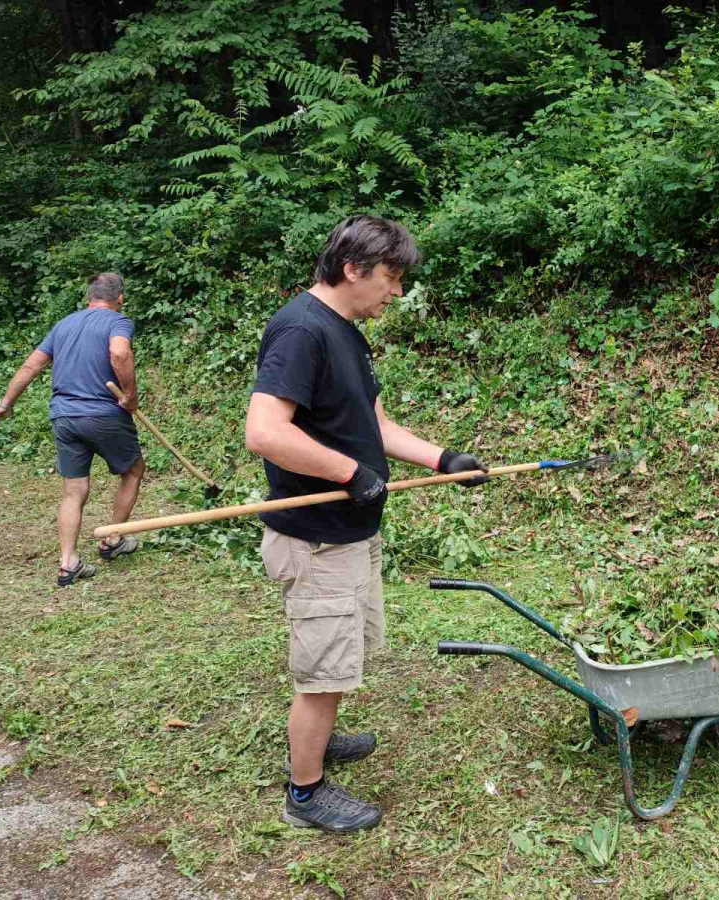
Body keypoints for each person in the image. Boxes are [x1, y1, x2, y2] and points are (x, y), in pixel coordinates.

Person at [245, 214, 489, 834]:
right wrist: (348, 473)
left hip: (352, 533)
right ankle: (306, 793)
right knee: (322, 672)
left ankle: (320, 740)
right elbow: (265, 432)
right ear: (353, 269)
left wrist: (442, 459)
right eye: (391, 277)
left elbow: (374, 426)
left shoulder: (347, 332)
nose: (397, 291)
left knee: (343, 657)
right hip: (318, 539)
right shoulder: (301, 330)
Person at [0, 273, 145, 586]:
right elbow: (119, 353)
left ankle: (68, 561)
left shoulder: (65, 324)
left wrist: (5, 403)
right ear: (120, 298)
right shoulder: (118, 321)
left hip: (64, 417)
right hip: (103, 414)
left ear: (89, 298)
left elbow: (32, 366)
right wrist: (131, 395)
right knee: (133, 470)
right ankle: (113, 540)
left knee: (74, 491)